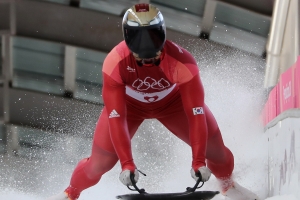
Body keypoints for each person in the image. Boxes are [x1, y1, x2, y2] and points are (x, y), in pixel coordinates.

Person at [47, 3, 259, 200]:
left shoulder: (183, 62)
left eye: (152, 40)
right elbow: (117, 117)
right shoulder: (114, 62)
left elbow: (195, 114)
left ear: (163, 34)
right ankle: (70, 193)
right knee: (100, 163)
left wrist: (198, 162)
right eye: (139, 44)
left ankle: (228, 186)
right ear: (127, 38)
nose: (147, 53)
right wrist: (127, 165)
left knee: (217, 153)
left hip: (173, 105)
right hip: (129, 109)